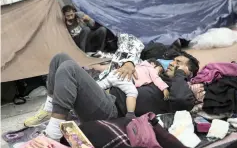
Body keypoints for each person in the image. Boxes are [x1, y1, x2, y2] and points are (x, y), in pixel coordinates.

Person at [24, 35, 200, 141]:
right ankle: (50, 108)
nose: (172, 64)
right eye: (174, 60)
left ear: (187, 72)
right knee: (60, 58)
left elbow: (182, 100)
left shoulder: (181, 89)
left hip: (113, 110)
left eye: (178, 63)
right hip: (105, 94)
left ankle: (53, 133)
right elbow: (141, 60)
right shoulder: (158, 72)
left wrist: (180, 75)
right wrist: (131, 63)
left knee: (69, 69)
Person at [97, 58, 169, 115]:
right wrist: (164, 88)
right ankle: (130, 114)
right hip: (127, 78)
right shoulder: (151, 69)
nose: (159, 73)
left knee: (99, 85)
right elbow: (157, 79)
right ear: (153, 64)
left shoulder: (138, 65)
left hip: (116, 73)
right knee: (132, 93)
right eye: (160, 70)